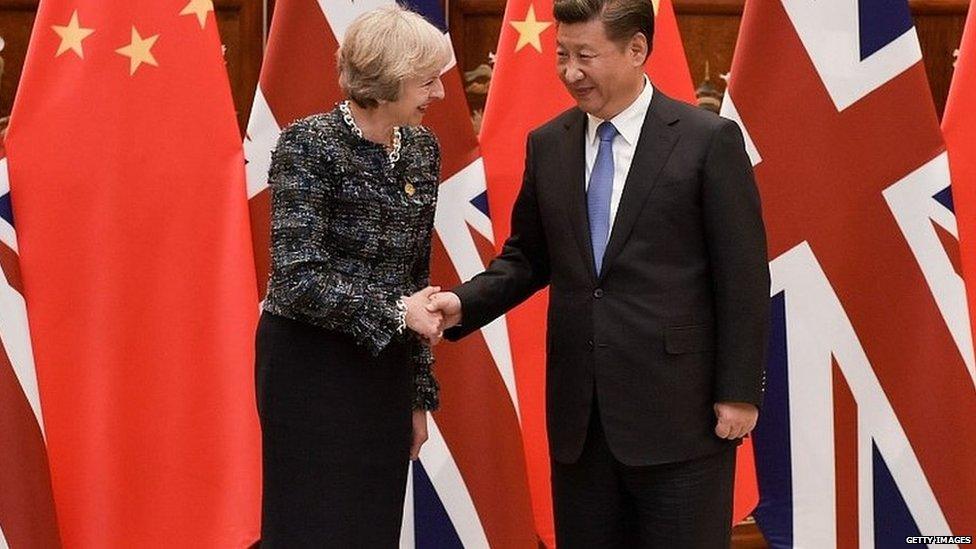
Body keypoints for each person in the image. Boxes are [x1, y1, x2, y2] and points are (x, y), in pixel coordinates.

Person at [428, 0, 769, 546]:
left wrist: (739, 390)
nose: (570, 72)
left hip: (681, 418)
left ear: (637, 49)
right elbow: (527, 257)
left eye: (585, 55)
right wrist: (464, 303)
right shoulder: (548, 143)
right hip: (581, 425)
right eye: (562, 55)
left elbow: (744, 277)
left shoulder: (707, 141)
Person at [254, 6, 451, 546]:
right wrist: (396, 311)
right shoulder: (308, 145)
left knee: (372, 526)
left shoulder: (421, 149)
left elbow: (416, 277)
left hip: (383, 366)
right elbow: (297, 275)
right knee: (311, 526)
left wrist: (417, 396)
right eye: (427, 79)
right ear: (386, 81)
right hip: (309, 367)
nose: (439, 91)